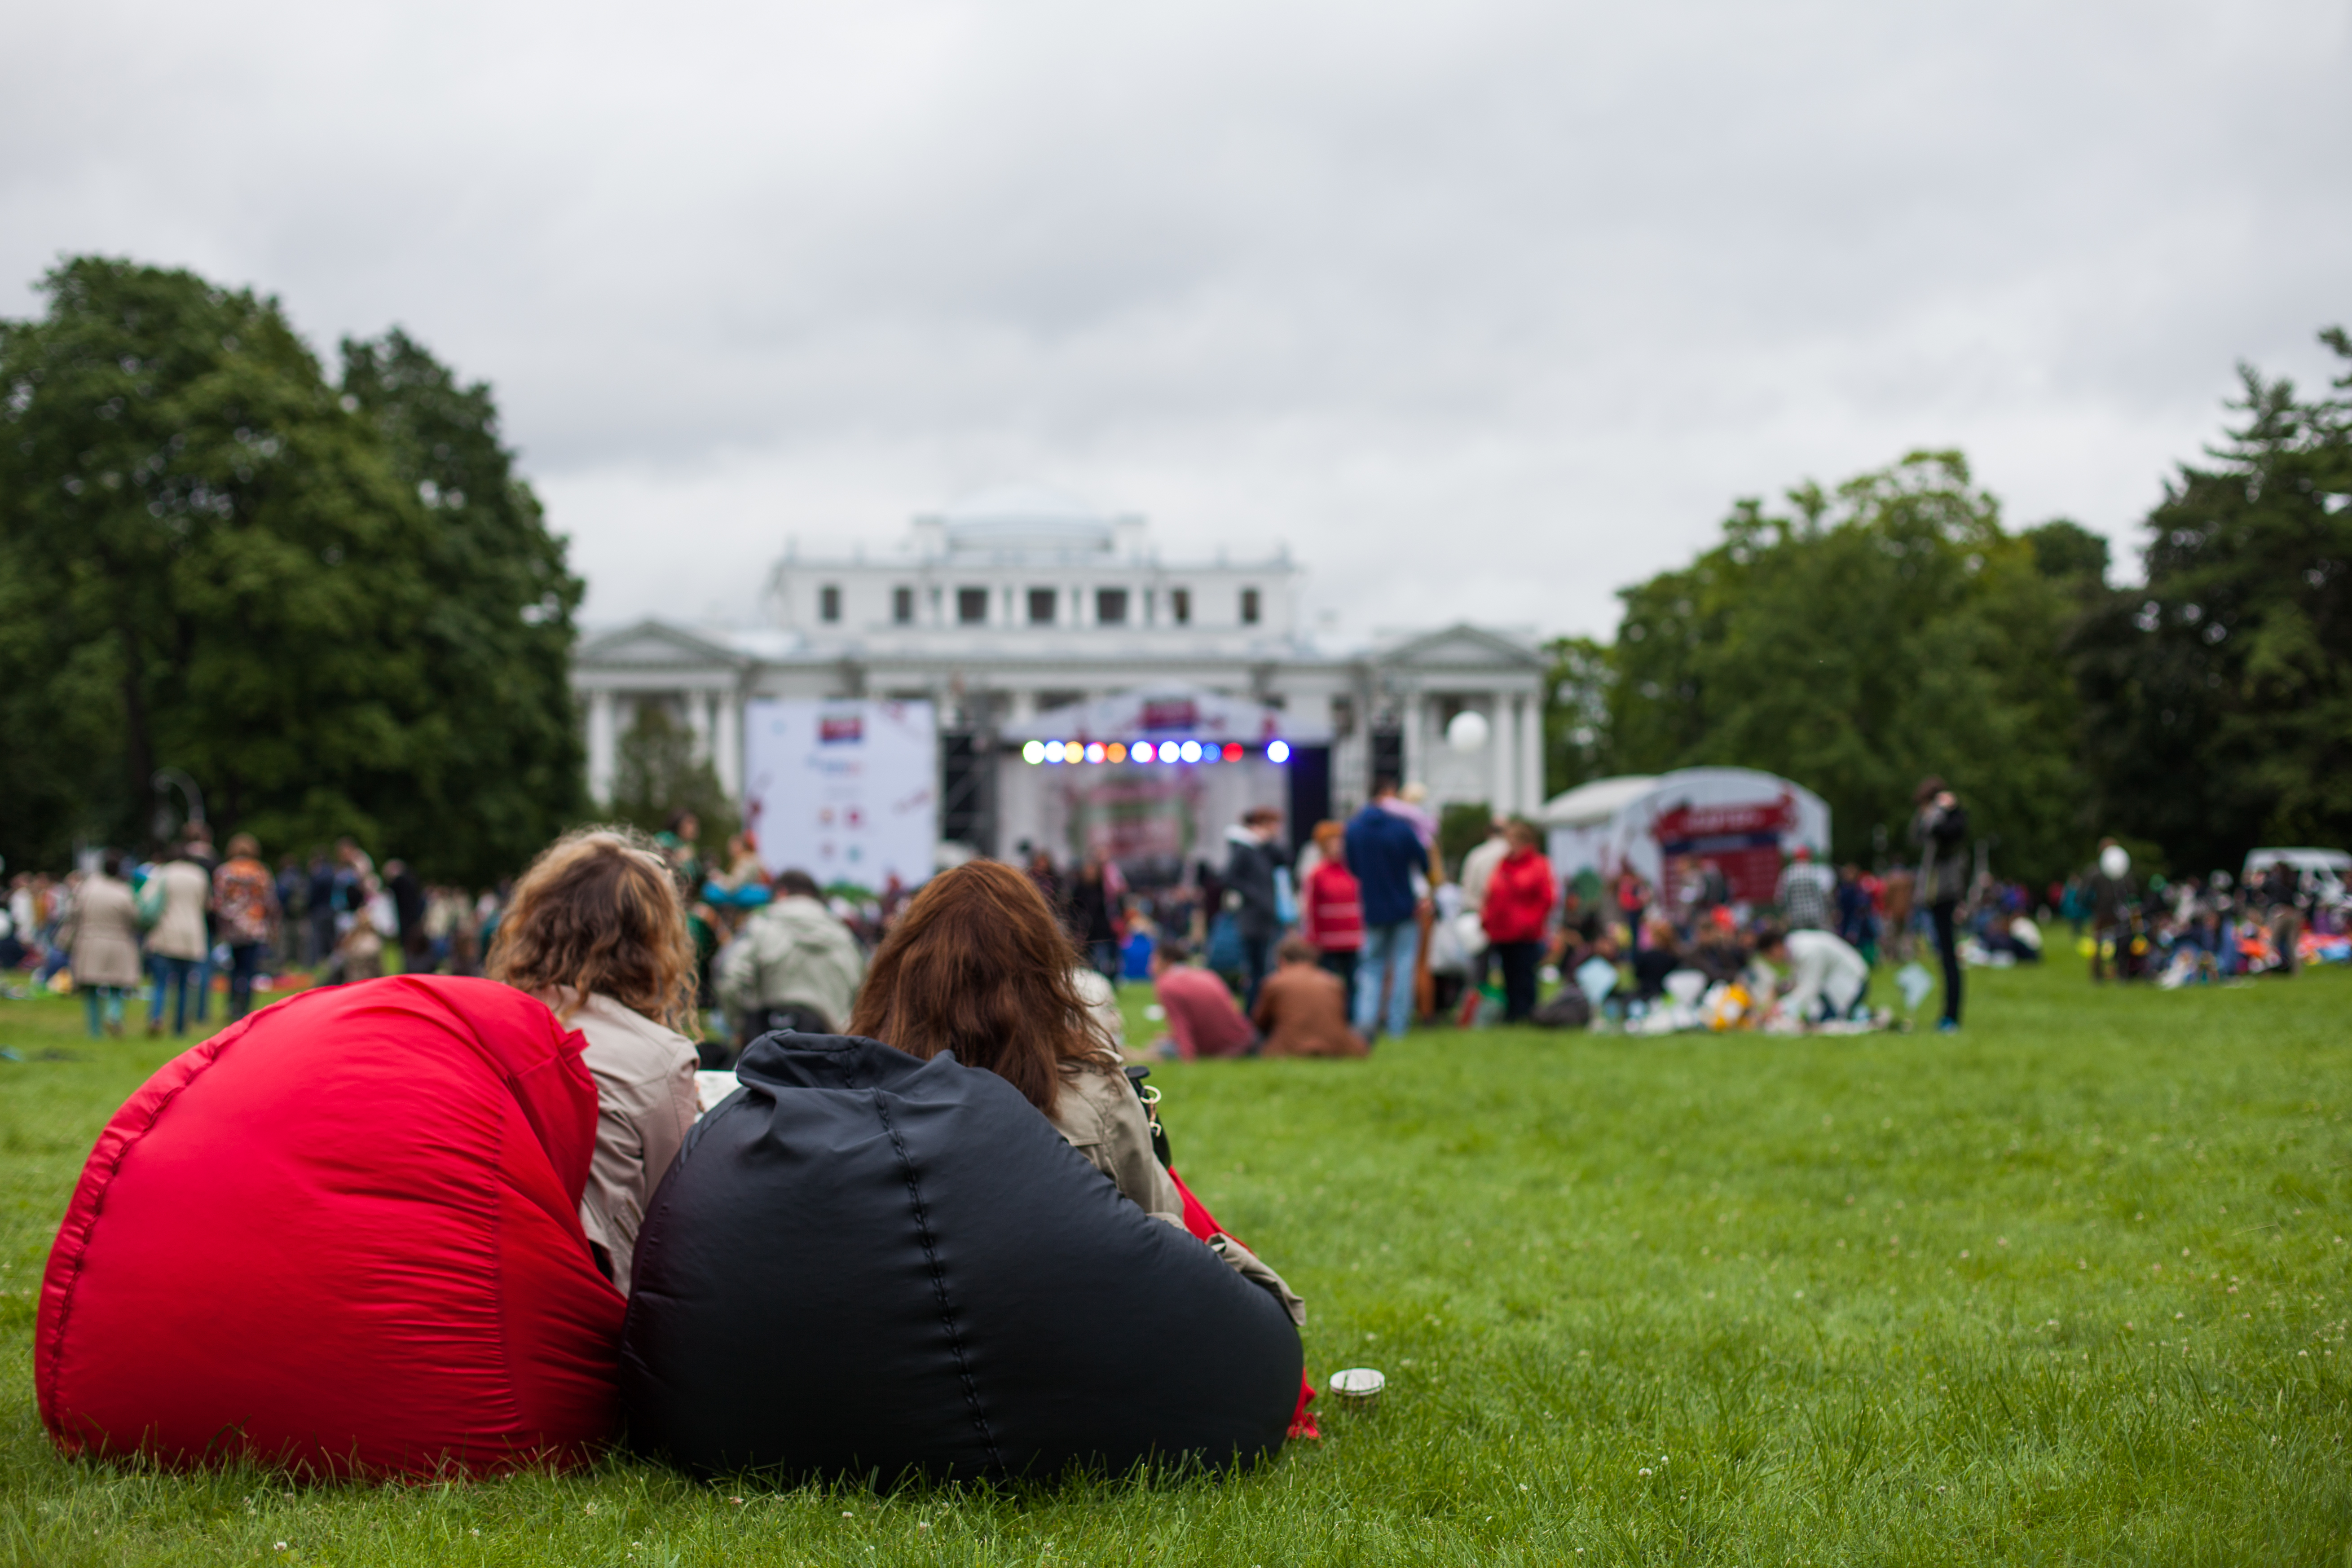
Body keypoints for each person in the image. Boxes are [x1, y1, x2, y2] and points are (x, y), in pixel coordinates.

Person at [845, 861, 1300, 1320]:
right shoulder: (1096, 1091)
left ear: (898, 971)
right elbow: (1167, 1244)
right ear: (1044, 972)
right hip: (1067, 1340)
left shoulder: (843, 1101)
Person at [487, 828, 702, 1295]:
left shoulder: (487, 1026)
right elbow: (684, 1214)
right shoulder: (660, 1058)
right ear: (654, 943)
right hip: (595, 1309)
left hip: (482, 1281)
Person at [714, 868, 867, 1053]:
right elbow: (864, 995)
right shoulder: (844, 938)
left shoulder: (761, 926)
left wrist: (738, 1024)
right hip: (826, 1054)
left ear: (781, 893)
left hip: (765, 1048)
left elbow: (731, 975)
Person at [1343, 777, 1428, 1044]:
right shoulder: (1402, 828)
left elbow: (1353, 867)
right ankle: (1397, 1027)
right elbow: (1423, 862)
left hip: (1372, 907)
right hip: (1404, 906)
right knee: (1403, 967)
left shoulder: (1354, 828)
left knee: (1370, 968)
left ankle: (1365, 1023)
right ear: (1389, 794)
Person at [1480, 821, 1556, 1022]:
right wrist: (1487, 919)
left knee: (1525, 974)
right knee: (1507, 974)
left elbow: (1546, 898)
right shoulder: (1504, 864)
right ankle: (1512, 1012)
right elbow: (1493, 894)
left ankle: (1528, 1012)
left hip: (1526, 932)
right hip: (1502, 930)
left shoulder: (1538, 865)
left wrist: (1530, 922)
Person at [1910, 777, 1969, 1032]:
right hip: (1931, 896)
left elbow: (1951, 831)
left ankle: (1951, 1016)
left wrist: (1948, 810)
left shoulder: (1951, 820)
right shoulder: (1928, 820)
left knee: (1949, 958)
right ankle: (1947, 1015)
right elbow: (1915, 835)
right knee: (1942, 956)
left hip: (1945, 894)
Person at [62, 854, 143, 1037]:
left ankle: (94, 1031)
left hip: (90, 939)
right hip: (119, 941)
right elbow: (135, 918)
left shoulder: (88, 889)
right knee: (117, 985)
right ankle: (114, 1015)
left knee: (90, 987)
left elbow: (73, 913)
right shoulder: (125, 891)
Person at [1250, 937, 1368, 1057]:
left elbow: (1260, 1022)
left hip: (1288, 1048)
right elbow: (1343, 1018)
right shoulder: (1334, 982)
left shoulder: (1274, 982)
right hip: (1336, 1048)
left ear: (1282, 961)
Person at [141, 842, 212, 1037]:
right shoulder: (200, 875)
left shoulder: (164, 873)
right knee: (184, 985)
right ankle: (180, 1027)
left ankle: (157, 1017)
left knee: (161, 982)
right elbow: (207, 905)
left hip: (166, 933)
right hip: (192, 934)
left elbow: (148, 902)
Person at [1221, 806, 1288, 1010]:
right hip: (1253, 920)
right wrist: (1255, 896)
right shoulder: (1244, 850)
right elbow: (1229, 877)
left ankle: (1259, 1013)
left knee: (1264, 970)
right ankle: (1254, 1014)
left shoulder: (1263, 850)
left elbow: (1286, 859)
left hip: (1266, 917)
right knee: (1257, 970)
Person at [1149, 938, 1260, 1059]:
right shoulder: (1206, 974)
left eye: (1154, 960)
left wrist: (1188, 1058)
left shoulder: (1167, 984)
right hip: (1247, 1039)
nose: (1150, 966)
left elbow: (1182, 1025)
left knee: (1160, 1048)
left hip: (1222, 1049)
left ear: (1167, 961)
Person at [211, 834, 280, 1022]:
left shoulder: (225, 871)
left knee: (234, 969)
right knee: (250, 970)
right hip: (254, 927)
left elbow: (218, 901)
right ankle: (247, 1008)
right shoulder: (260, 871)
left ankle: (232, 1006)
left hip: (233, 928)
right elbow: (270, 901)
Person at [1757, 922, 1872, 1026]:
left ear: (1776, 946)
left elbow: (1809, 989)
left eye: (1769, 955)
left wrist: (1778, 1008)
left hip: (1853, 983)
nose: (1772, 961)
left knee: (1832, 1023)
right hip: (1836, 983)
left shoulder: (1806, 951)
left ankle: (1867, 1016)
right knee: (1819, 1018)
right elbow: (1798, 980)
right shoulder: (1796, 945)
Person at [1299, 819, 1363, 992]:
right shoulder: (1316, 874)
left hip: (1353, 938)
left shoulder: (1355, 870)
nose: (1338, 848)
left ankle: (1354, 1018)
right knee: (1328, 984)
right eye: (1332, 844)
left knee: (1354, 983)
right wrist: (1312, 939)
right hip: (1328, 941)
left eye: (1341, 843)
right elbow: (1310, 908)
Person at [1066, 850, 1121, 982]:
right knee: (1090, 963)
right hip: (1085, 932)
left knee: (1104, 960)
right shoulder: (1078, 889)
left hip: (1102, 931)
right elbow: (1072, 909)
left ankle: (1106, 983)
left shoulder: (1105, 889)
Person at [2088, 840, 2136, 983]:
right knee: (2109, 943)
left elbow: (2085, 895)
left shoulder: (2094, 872)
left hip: (2107, 913)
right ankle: (2117, 975)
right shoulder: (2097, 872)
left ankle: (2104, 975)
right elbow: (2133, 891)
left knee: (2111, 943)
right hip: (2109, 914)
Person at [1776, 846, 1834, 931]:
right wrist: (1830, 910)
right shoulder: (1815, 871)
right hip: (1817, 916)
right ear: (1809, 857)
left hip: (1796, 917)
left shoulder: (1787, 874)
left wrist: (1784, 913)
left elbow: (1779, 898)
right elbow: (1826, 895)